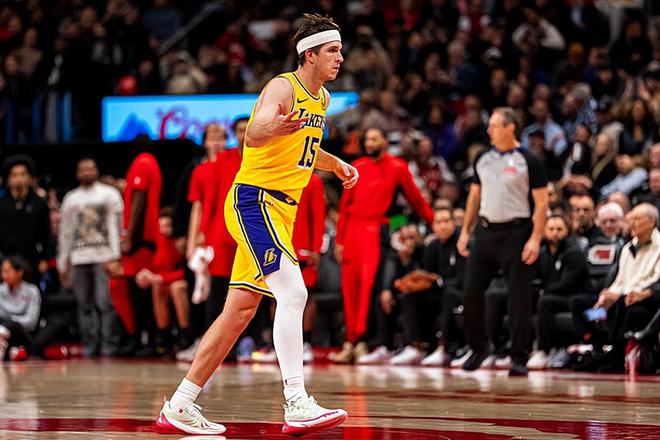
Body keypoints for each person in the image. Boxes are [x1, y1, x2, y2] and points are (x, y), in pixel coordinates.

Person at [157, 13, 357, 435]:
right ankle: (297, 402)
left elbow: (303, 148)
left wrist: (334, 163)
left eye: (340, 50)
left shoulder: (321, 99)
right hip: (255, 201)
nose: (340, 57)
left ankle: (179, 405)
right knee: (294, 292)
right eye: (333, 51)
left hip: (280, 211)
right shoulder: (284, 86)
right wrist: (272, 126)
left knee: (239, 311)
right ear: (310, 55)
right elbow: (256, 132)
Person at [457, 107, 549, 376]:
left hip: (517, 232)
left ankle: (519, 356)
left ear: (510, 127)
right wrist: (465, 231)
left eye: (495, 125)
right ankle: (479, 347)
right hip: (486, 232)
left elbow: (542, 203)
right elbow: (474, 197)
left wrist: (535, 238)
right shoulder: (483, 158)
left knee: (519, 296)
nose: (489, 130)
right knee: (470, 291)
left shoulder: (528, 159)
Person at [333, 126, 434, 363]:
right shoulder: (356, 167)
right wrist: (339, 240)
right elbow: (345, 207)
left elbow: (416, 200)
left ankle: (362, 341)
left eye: (374, 138)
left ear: (385, 142)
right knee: (350, 287)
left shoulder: (398, 167)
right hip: (353, 232)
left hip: (376, 230)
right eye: (367, 139)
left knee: (368, 286)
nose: (370, 143)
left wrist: (433, 222)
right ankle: (350, 341)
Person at [57, 157, 123, 357]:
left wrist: (116, 256)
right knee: (84, 304)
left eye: (90, 168)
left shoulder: (109, 194)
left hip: (104, 256)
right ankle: (89, 345)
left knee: (106, 302)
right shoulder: (71, 198)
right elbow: (65, 232)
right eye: (83, 169)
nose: (87, 172)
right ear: (78, 173)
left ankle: (109, 344)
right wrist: (62, 262)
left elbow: (117, 226)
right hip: (79, 257)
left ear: (96, 170)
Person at [526, 215, 590, 370]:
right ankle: (518, 349)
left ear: (567, 231)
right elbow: (536, 279)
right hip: (554, 296)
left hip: (576, 298)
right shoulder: (543, 253)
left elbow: (566, 284)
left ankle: (544, 350)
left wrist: (542, 291)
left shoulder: (574, 253)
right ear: (545, 231)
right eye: (551, 229)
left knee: (545, 301)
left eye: (559, 229)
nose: (555, 233)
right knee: (527, 297)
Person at [135, 207, 191, 355]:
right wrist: (145, 274)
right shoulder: (159, 240)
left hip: (183, 281)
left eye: (167, 226)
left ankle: (185, 334)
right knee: (158, 286)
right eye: (161, 226)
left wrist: (161, 278)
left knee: (176, 288)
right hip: (164, 280)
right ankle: (163, 335)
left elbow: (187, 272)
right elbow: (157, 265)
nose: (163, 230)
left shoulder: (181, 242)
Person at [0, 155, 52, 283]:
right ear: (8, 179)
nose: (18, 179)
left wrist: (45, 259)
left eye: (23, 174)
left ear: (30, 178)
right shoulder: (1, 204)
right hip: (5, 262)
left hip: (32, 261)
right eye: (14, 175)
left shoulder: (40, 204)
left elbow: (46, 235)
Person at [0, 256, 41, 361]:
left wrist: (11, 321)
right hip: (3, 329)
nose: (4, 275)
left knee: (12, 325)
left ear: (19, 272)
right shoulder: (0, 290)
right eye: (2, 271)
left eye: (7, 271)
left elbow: (31, 321)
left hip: (23, 333)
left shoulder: (31, 291)